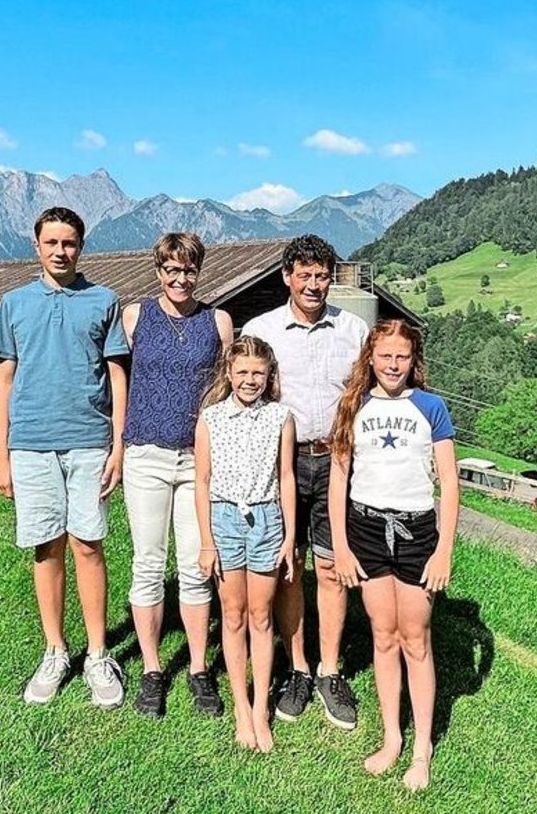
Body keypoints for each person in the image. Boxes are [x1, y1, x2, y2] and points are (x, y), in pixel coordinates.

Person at [0, 206, 130, 708]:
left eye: (69, 243)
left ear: (81, 247)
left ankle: (96, 654)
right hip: (29, 443)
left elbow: (117, 375)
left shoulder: (103, 300)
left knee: (88, 545)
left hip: (90, 441)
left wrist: (118, 445)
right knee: (45, 547)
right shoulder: (14, 303)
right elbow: (4, 379)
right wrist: (0, 454)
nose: (60, 251)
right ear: (37, 246)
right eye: (52, 243)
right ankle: (55, 651)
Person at [242, 235, 369, 729]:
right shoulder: (263, 329)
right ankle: (296, 667)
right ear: (287, 277)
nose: (315, 285)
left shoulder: (354, 328)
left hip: (338, 460)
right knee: (290, 565)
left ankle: (330, 669)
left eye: (322, 277)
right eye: (305, 275)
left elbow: (367, 392)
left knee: (333, 564)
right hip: (283, 463)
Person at [329, 319, 459, 791]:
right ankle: (392, 738)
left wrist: (443, 550)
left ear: (413, 359)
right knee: (383, 636)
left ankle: (422, 746)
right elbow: (338, 480)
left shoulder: (431, 408)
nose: (392, 364)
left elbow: (449, 483)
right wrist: (341, 546)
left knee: (415, 638)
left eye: (401, 356)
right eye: (384, 355)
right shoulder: (353, 406)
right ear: (370, 356)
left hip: (416, 532)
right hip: (364, 528)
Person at [120, 232, 233, 719]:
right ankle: (150, 669)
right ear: (158, 271)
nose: (180, 278)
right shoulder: (134, 316)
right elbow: (117, 375)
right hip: (144, 453)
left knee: (195, 566)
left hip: (196, 461)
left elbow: (230, 386)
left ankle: (198, 668)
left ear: (199, 271)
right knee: (148, 562)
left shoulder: (219, 321)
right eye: (171, 269)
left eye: (188, 270)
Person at [195, 336, 297, 751]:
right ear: (229, 374)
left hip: (267, 518)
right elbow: (201, 482)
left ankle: (260, 707)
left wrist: (289, 536)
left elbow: (286, 476)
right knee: (233, 614)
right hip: (224, 519)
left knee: (262, 615)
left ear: (269, 375)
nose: (250, 380)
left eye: (258, 372)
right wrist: (207, 541)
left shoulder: (281, 418)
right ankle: (240, 705)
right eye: (242, 372)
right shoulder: (211, 419)